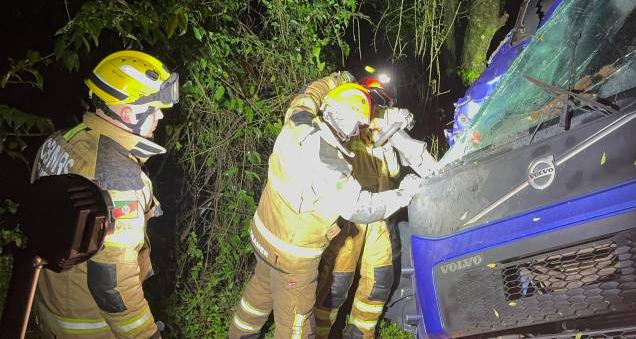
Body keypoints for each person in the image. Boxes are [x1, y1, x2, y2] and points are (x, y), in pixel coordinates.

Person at [227, 77, 421, 339]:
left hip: (263, 237)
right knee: (297, 325)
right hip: (292, 257)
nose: (356, 133)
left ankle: (238, 335)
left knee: (257, 296)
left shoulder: (298, 121)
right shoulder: (329, 166)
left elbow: (310, 94)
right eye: (356, 127)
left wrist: (338, 78)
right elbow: (360, 207)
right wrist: (404, 194)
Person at [31, 50, 179, 339]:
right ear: (127, 113)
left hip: (48, 306)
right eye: (154, 108)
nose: (160, 115)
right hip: (89, 325)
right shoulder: (120, 181)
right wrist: (146, 335)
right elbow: (112, 285)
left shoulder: (61, 140)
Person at [314, 76, 426, 339]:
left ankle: (361, 333)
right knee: (336, 285)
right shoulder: (348, 125)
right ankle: (319, 333)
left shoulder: (385, 127)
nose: (377, 107)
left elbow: (394, 169)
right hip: (350, 218)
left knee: (380, 279)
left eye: (382, 102)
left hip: (379, 216)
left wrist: (399, 129)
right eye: (373, 100)